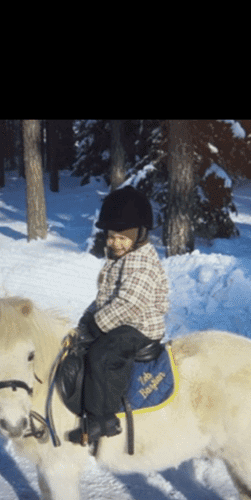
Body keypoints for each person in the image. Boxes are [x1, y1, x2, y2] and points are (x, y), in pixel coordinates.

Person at [72, 185, 169, 445]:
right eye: (111, 236)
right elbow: (107, 297)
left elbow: (129, 304)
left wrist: (97, 325)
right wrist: (86, 320)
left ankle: (103, 418)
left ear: (139, 235)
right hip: (123, 321)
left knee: (102, 355)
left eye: (122, 238)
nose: (115, 243)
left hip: (140, 327)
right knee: (83, 347)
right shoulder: (121, 257)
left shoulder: (142, 263)